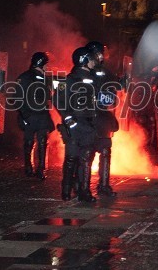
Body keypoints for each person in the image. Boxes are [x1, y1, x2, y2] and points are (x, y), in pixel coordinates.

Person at [54, 47, 99, 203]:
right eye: (91, 59)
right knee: (71, 158)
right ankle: (66, 190)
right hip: (73, 125)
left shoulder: (94, 79)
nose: (94, 62)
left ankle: (84, 191)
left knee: (86, 158)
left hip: (89, 125)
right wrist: (67, 119)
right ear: (84, 60)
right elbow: (57, 100)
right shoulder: (67, 80)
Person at [84, 40, 120, 197]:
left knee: (105, 151)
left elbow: (114, 92)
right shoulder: (83, 72)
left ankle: (104, 185)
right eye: (98, 53)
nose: (101, 57)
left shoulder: (107, 72)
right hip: (87, 117)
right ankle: (83, 187)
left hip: (103, 116)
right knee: (87, 152)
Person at [15, 52, 55, 180]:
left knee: (41, 142)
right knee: (30, 142)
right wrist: (24, 114)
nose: (48, 67)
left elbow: (49, 97)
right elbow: (17, 97)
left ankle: (40, 168)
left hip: (41, 115)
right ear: (41, 63)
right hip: (30, 115)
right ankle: (30, 167)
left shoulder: (46, 78)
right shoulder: (25, 77)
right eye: (46, 64)